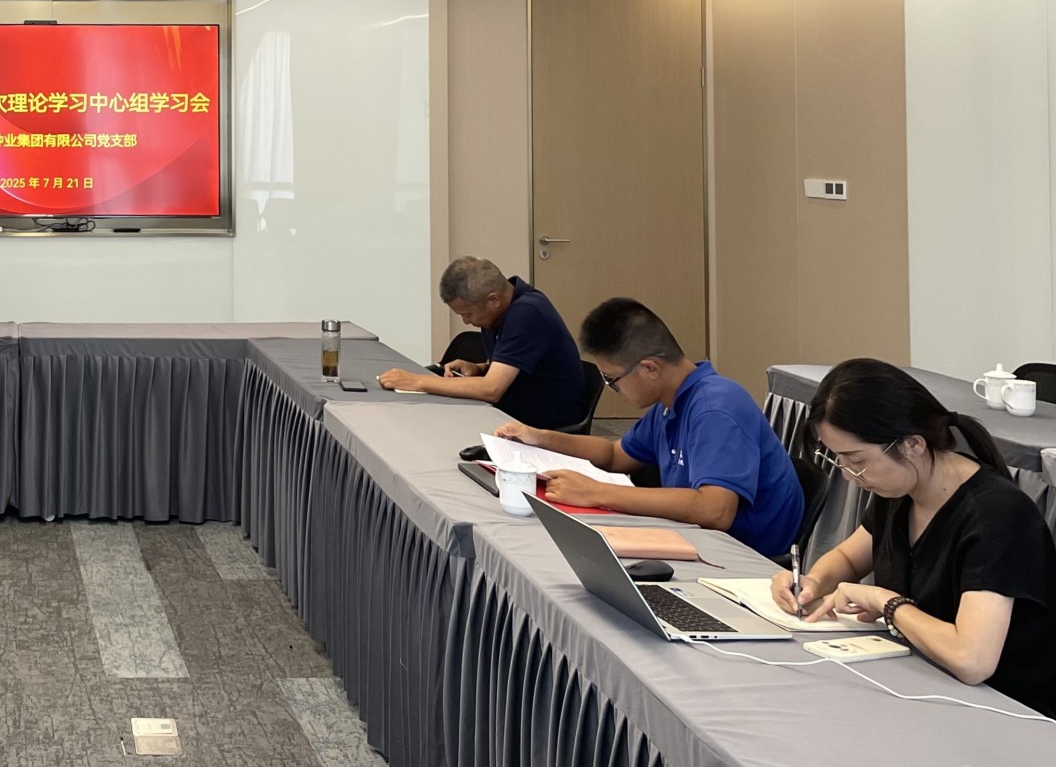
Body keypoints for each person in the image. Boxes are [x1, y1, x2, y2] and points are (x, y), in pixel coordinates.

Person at [767, 359, 1056, 715]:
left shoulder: (997, 515)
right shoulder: (902, 489)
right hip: (926, 685)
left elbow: (972, 659)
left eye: (856, 460)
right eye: (839, 460)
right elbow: (848, 558)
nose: (848, 476)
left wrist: (886, 603)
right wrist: (812, 583)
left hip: (1003, 710)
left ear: (913, 445)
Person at [492, 297, 803, 557]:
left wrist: (597, 492)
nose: (614, 389)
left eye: (612, 379)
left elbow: (715, 511)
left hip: (741, 557)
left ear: (650, 368)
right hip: (694, 538)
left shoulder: (716, 408)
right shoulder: (671, 400)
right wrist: (541, 437)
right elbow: (615, 455)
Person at [376, 256, 588, 430]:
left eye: (467, 314)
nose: (466, 321)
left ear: (493, 300)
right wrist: (480, 368)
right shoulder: (499, 310)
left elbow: (491, 389)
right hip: (511, 413)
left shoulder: (527, 313)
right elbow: (517, 366)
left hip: (543, 425)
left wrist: (416, 381)